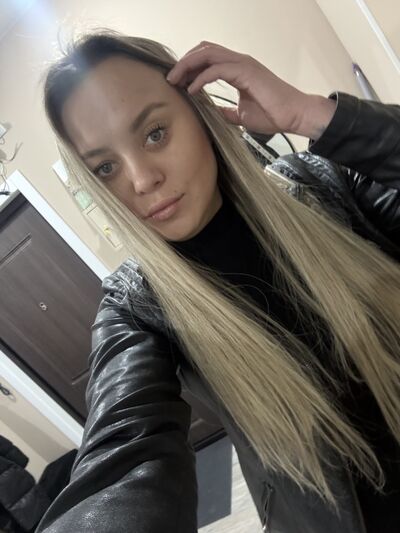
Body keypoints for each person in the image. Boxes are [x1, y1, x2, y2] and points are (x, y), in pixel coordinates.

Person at [36, 29, 399, 533]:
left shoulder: (323, 183)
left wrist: (310, 115)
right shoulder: (136, 307)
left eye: (154, 133)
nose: (141, 180)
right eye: (105, 167)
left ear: (200, 112)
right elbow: (123, 454)